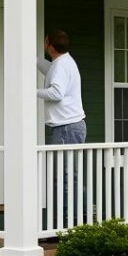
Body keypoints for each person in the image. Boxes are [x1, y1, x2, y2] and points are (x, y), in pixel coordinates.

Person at [37, 30, 86, 224]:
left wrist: (31, 92)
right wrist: (31, 59)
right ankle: (72, 222)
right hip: (70, 127)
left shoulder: (61, 66)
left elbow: (56, 93)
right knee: (67, 177)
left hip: (66, 128)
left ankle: (69, 224)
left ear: (49, 44)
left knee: (64, 179)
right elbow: (51, 70)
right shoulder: (63, 62)